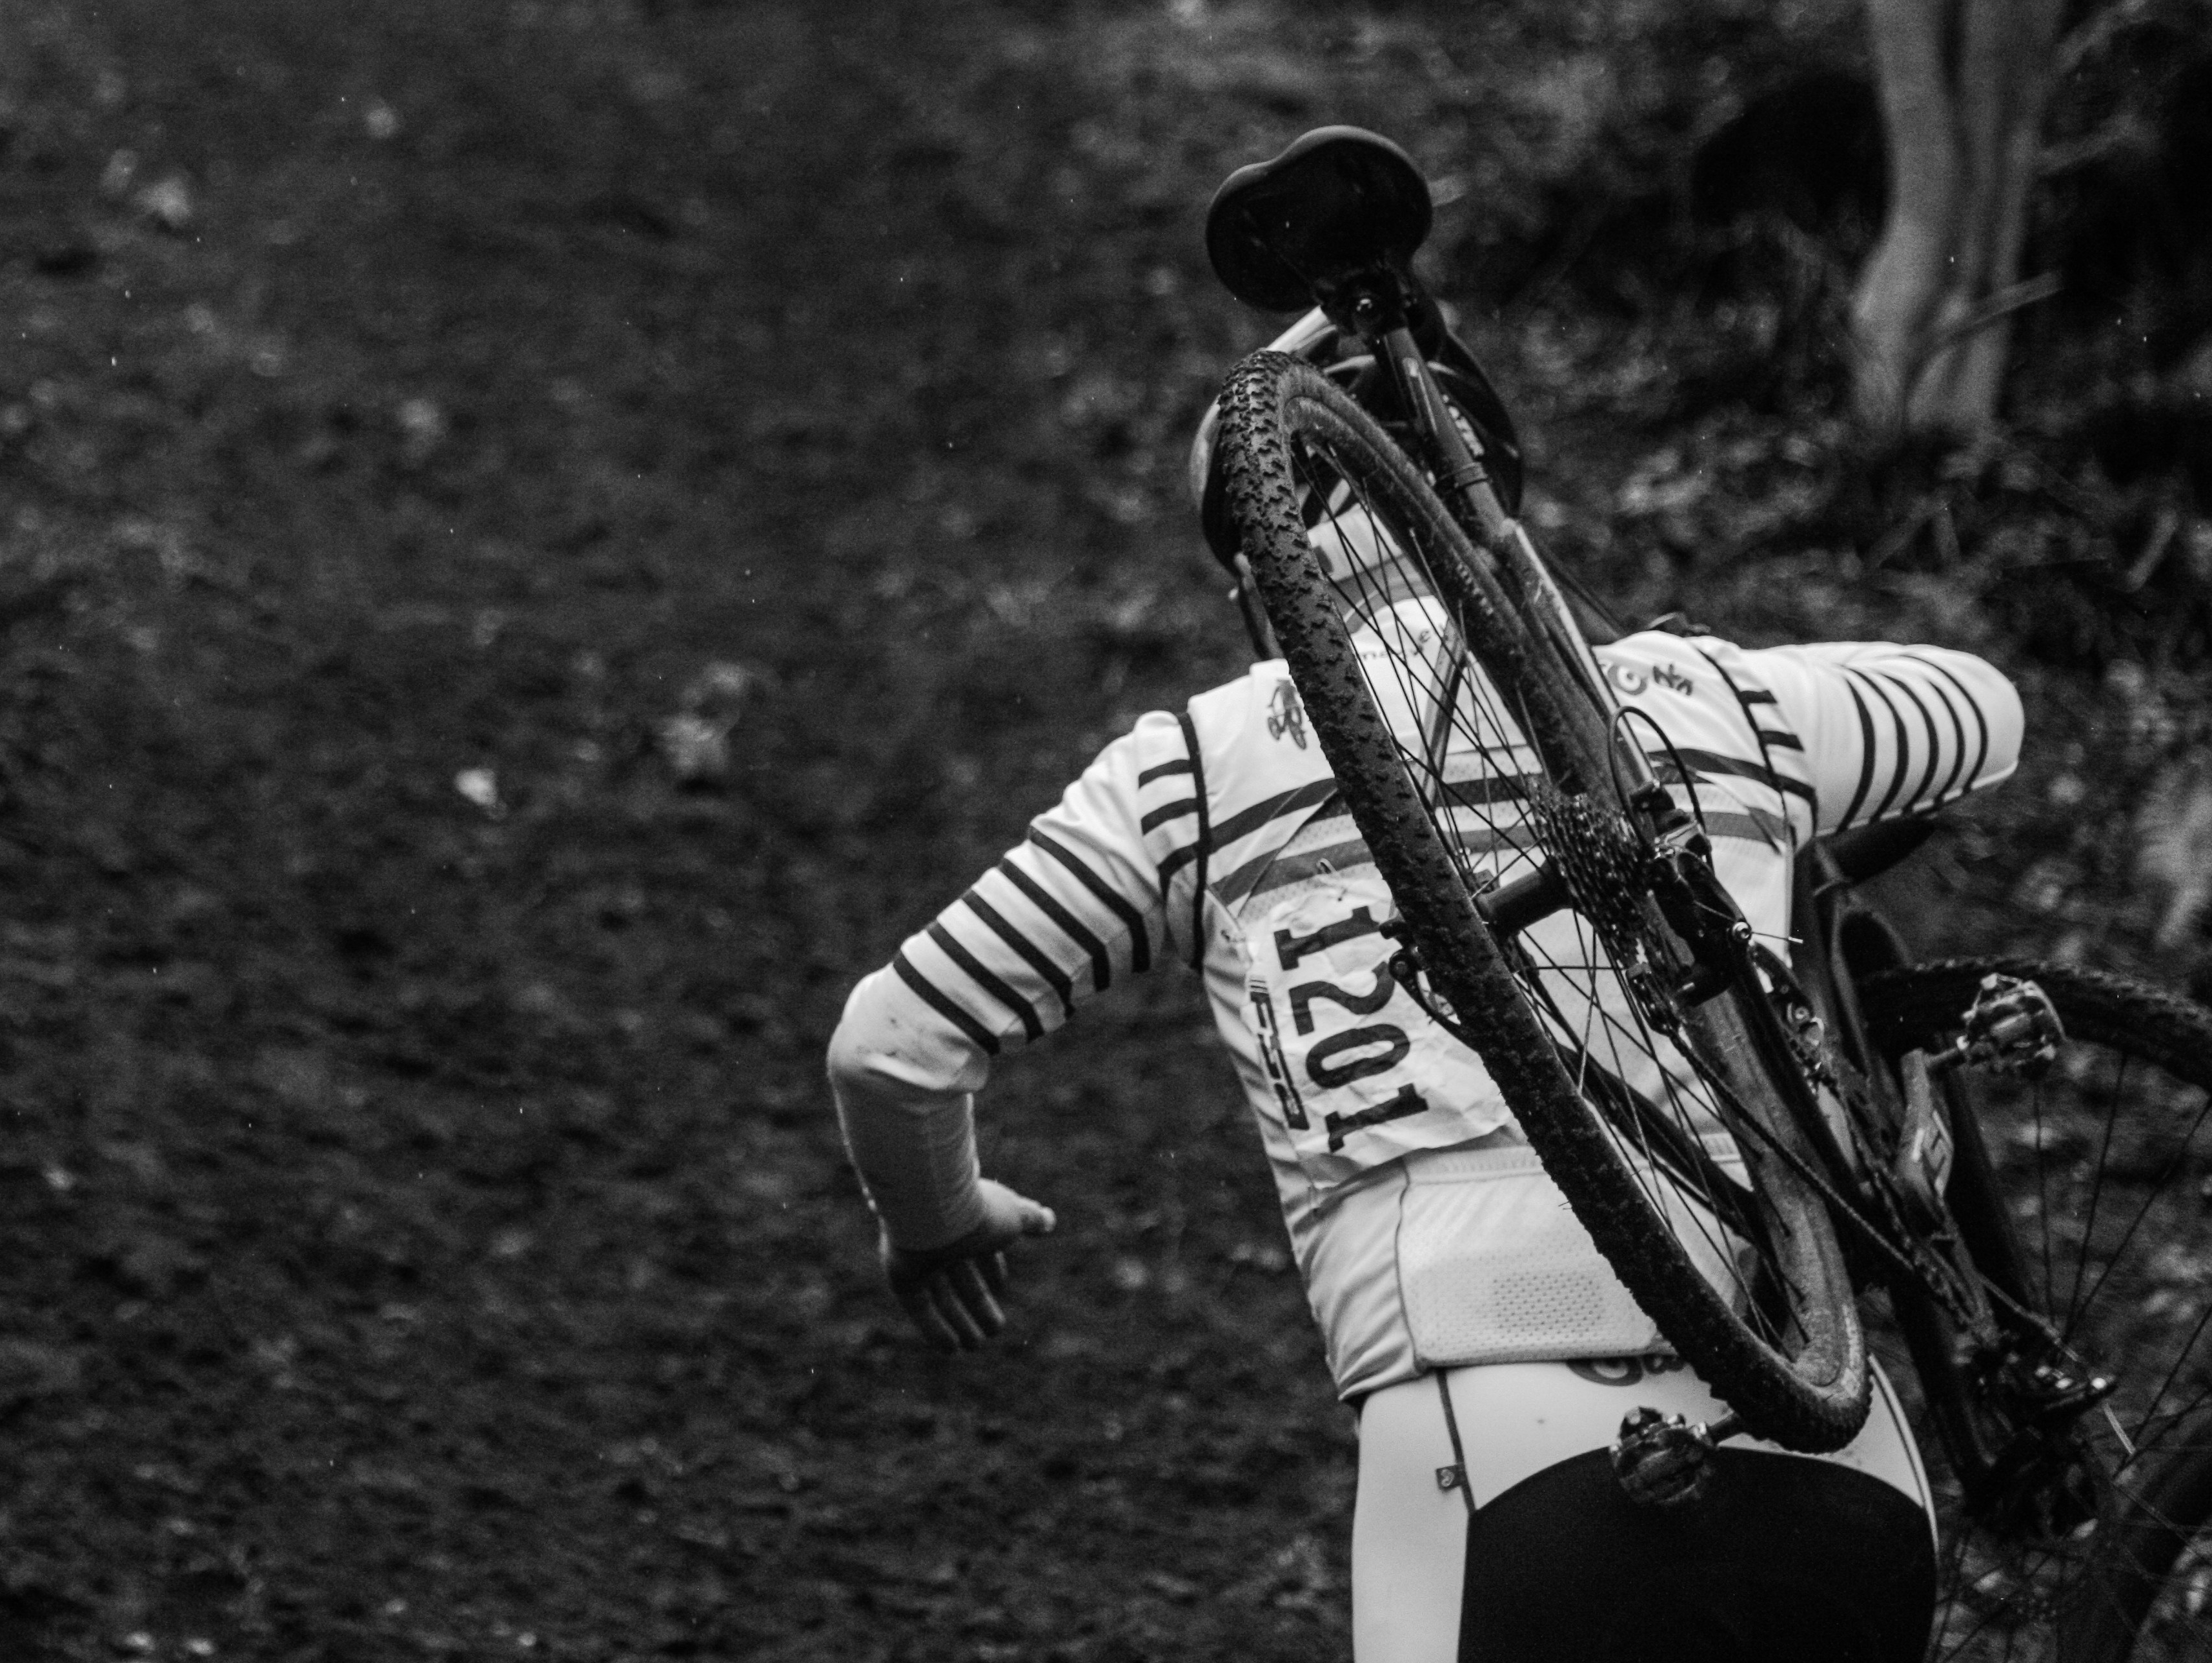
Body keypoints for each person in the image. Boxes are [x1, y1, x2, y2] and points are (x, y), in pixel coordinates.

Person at [824, 327, 2024, 1663]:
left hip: (1496, 1448)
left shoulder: (1198, 769)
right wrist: (1691, 685)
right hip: (1844, 1457)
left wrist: (937, 1221)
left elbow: (893, 1043)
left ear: (1256, 570)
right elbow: (1983, 711)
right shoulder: (1715, 699)